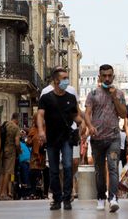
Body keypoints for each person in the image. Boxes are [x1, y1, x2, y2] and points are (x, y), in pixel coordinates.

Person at [38, 67, 85, 210]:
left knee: (68, 166)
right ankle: (57, 199)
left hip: (66, 137)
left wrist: (81, 123)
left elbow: (75, 115)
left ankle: (67, 198)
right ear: (56, 80)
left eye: (67, 78)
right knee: (53, 170)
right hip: (51, 138)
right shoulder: (46, 97)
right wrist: (41, 131)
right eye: (64, 78)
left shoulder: (70, 97)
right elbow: (40, 115)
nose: (67, 81)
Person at [84, 64, 126, 213]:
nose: (107, 78)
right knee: (99, 171)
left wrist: (114, 97)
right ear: (99, 77)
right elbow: (87, 114)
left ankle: (113, 198)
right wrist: (90, 126)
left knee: (113, 168)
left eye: (110, 76)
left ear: (113, 77)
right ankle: (101, 198)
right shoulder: (93, 94)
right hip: (97, 139)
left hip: (114, 138)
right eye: (104, 76)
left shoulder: (120, 94)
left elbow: (123, 114)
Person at [0, 113, 21, 200]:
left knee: (1, 172)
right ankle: (4, 193)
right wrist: (19, 151)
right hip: (10, 151)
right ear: (17, 119)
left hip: (2, 150)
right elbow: (17, 142)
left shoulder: (5, 124)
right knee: (8, 171)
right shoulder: (16, 128)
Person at [26, 112, 46, 199]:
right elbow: (28, 142)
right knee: (33, 172)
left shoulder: (45, 128)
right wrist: (32, 139)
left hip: (44, 154)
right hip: (34, 155)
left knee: (45, 172)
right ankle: (33, 191)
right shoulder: (33, 129)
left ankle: (44, 191)